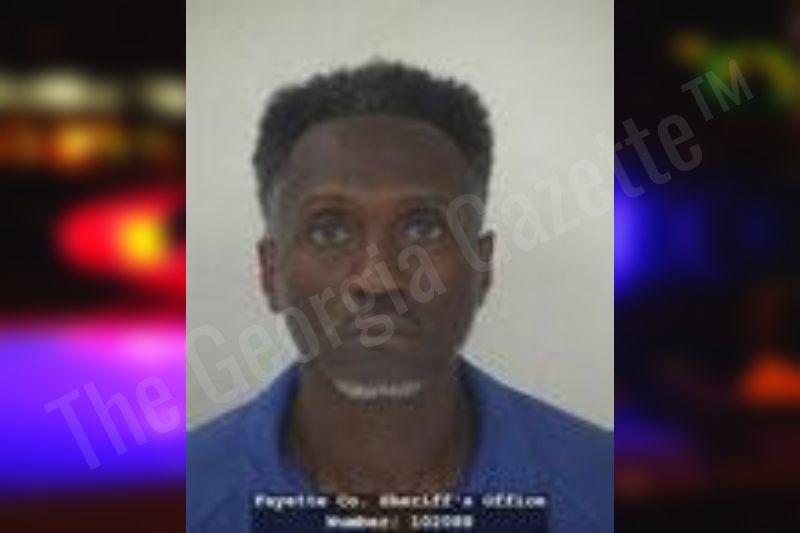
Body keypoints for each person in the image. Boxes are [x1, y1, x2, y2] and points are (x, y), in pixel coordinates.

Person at [187, 61, 612, 532]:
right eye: (329, 231)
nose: (378, 279)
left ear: (482, 265)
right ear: (270, 272)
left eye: (423, 228)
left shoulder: (603, 488)